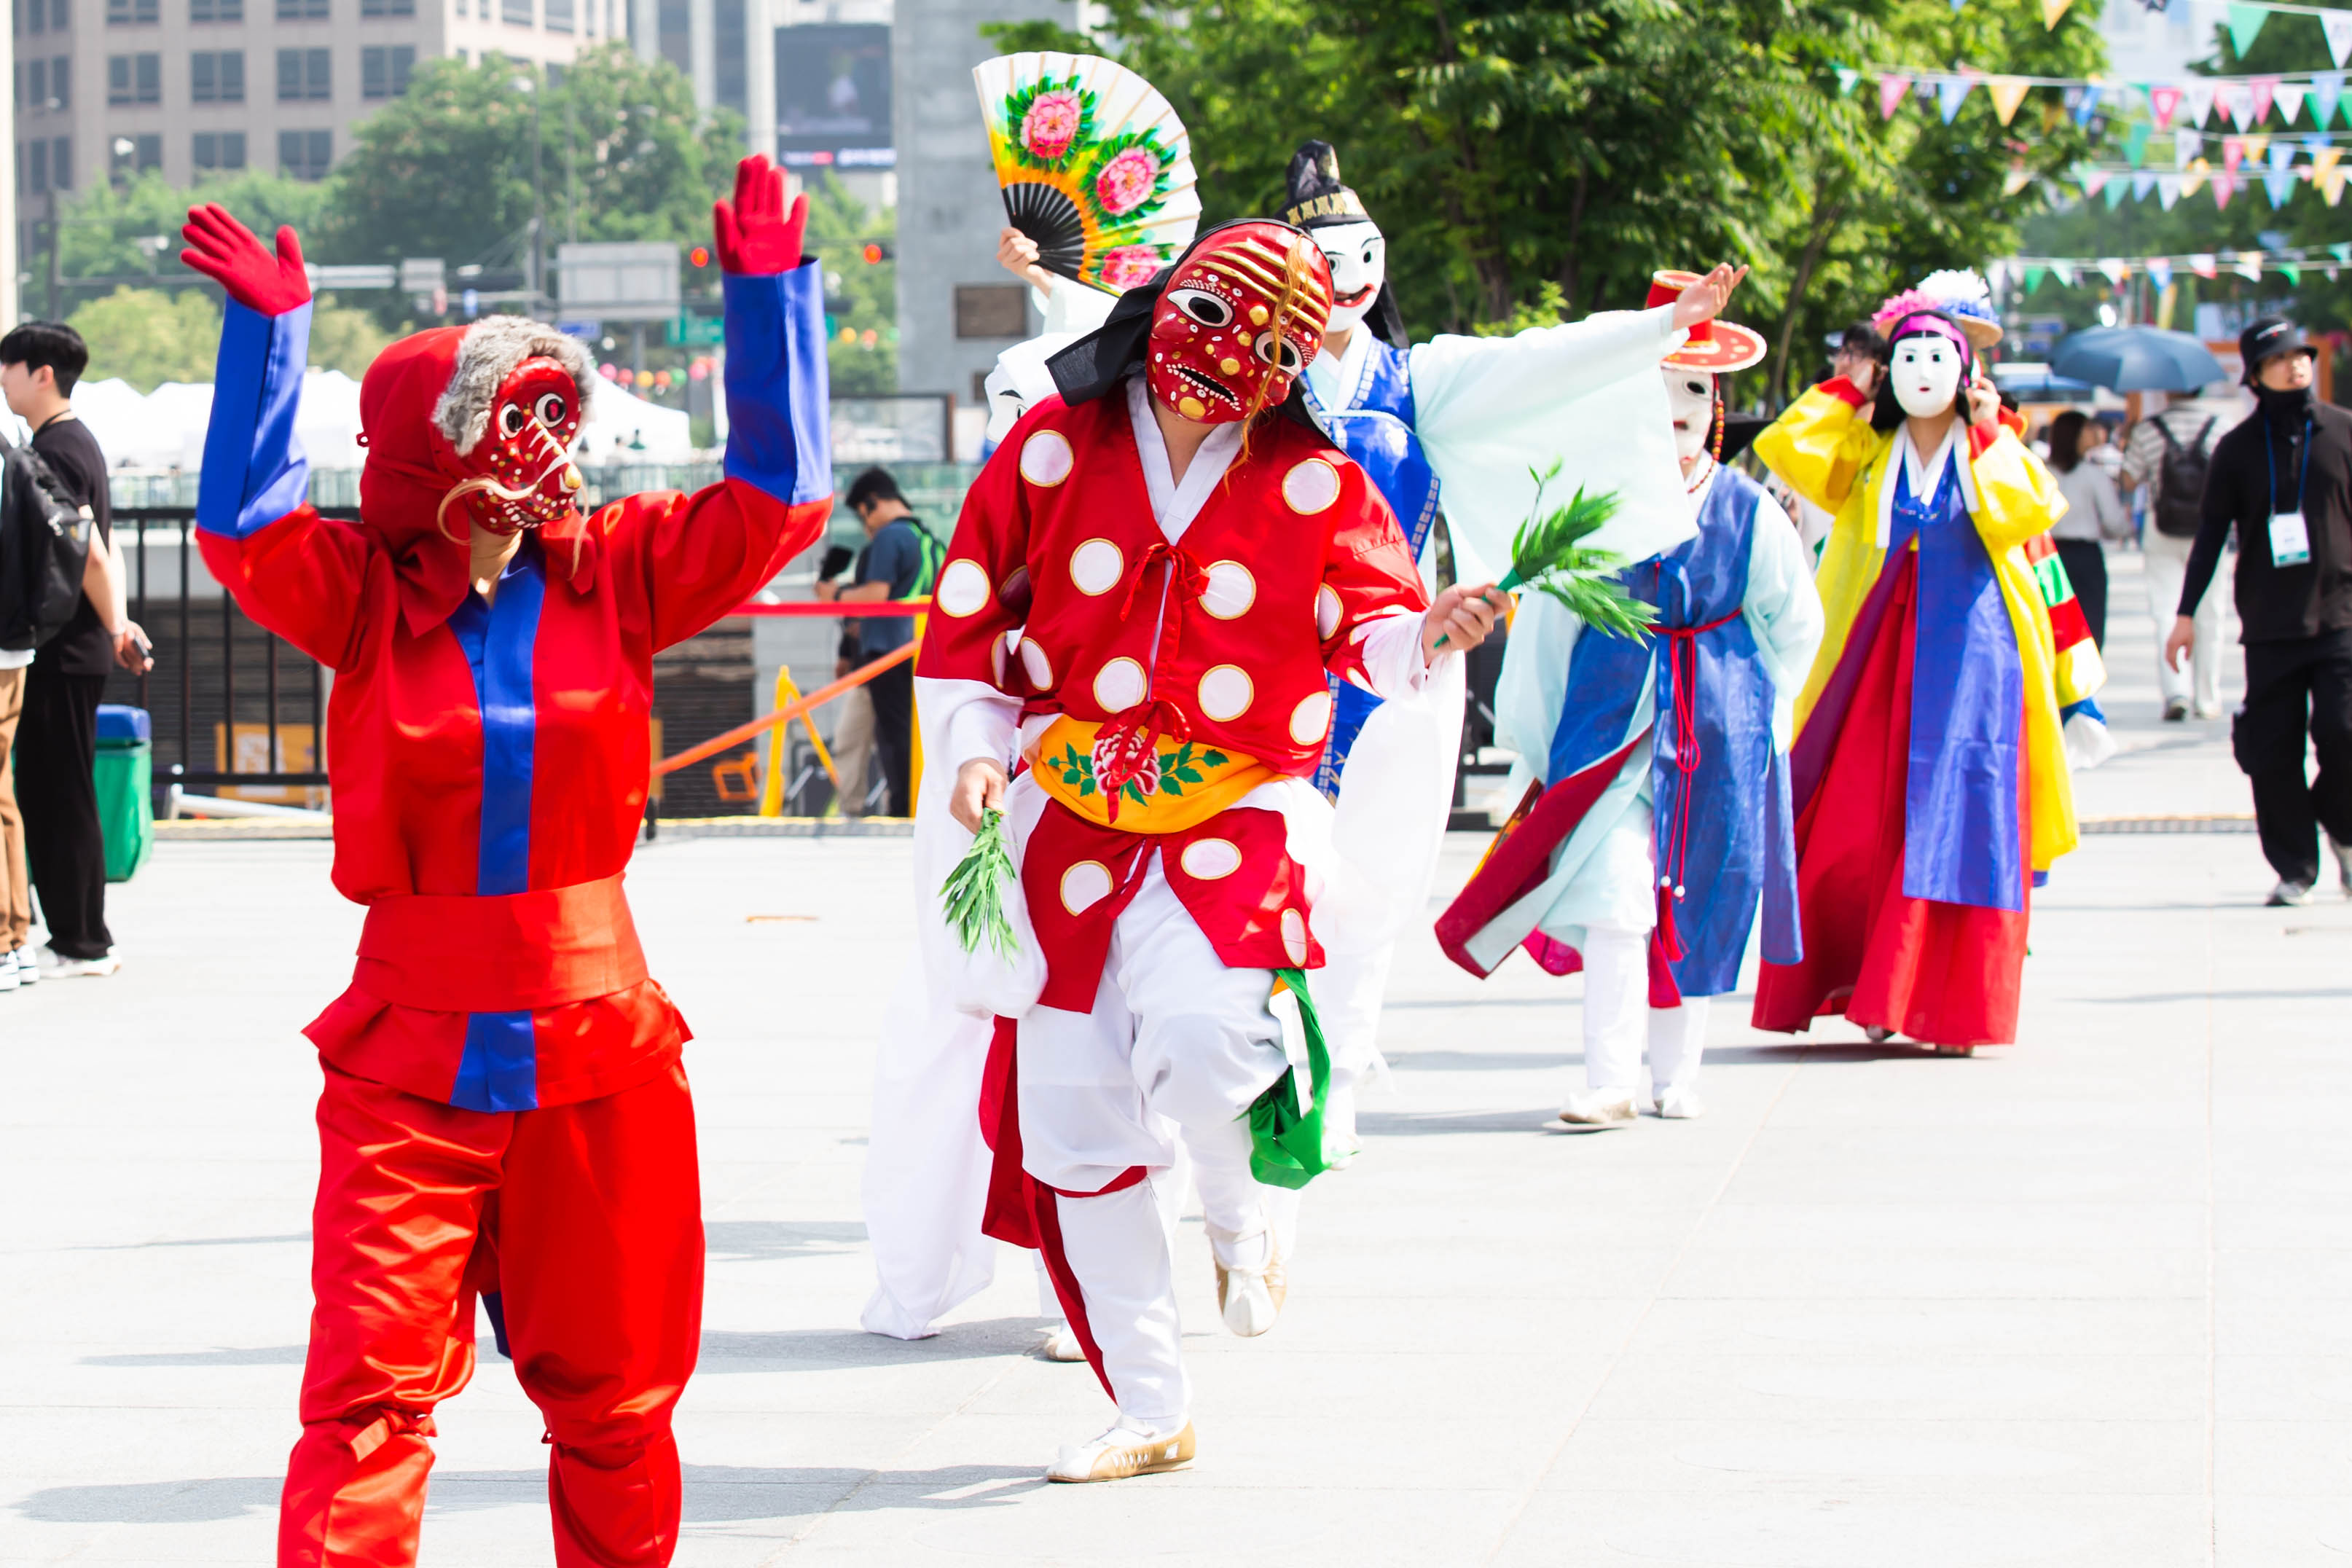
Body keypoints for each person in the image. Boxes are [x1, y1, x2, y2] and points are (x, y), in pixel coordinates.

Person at [179, 156, 832, 1567]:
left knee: (617, 1397)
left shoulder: (624, 569)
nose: (545, 440)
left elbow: (780, 498)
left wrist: (771, 298)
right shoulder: (358, 593)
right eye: (511, 412)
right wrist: (266, 338)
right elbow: (238, 524)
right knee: (366, 1393)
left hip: (603, 1043)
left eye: (558, 408)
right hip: (408, 1054)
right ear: (427, 438)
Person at [915, 219, 1500, 1482]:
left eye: (1263, 339)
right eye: (1207, 312)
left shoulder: (1314, 476)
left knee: (1205, 1038)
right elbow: (969, 610)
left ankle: (1244, 1209)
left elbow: (1375, 634)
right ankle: (1148, 1404)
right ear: (1163, 302)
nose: (1219, 352)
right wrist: (970, 742)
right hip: (1066, 804)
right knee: (1069, 1122)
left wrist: (1433, 632)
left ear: (1293, 364)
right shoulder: (1053, 445)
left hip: (1238, 800)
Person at [1437, 270, 1823, 1126]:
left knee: (1702, 897)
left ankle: (1676, 1070)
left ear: (1714, 401)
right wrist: (1543, 751)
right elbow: (1544, 644)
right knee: (1616, 901)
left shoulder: (1748, 510)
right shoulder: (1591, 512)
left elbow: (1795, 622)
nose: (1678, 407)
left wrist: (1765, 722)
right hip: (1611, 742)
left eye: (1694, 389)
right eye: (1661, 389)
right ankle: (1610, 1076)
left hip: (1717, 731)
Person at [1749, 303, 2078, 1054]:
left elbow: (2032, 511)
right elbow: (1789, 448)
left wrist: (1991, 428)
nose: (1923, 372)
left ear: (1965, 373)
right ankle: (1873, 984)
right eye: (1909, 358)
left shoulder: (1989, 446)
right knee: (1862, 818)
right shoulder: (1871, 449)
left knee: (1961, 823)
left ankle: (1952, 1004)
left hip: (1973, 658)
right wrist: (1851, 388)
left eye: (1940, 358)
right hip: (1875, 652)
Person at [2165, 317, 2352, 906]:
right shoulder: (2237, 450)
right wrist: (2187, 612)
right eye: (2281, 359)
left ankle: (2336, 819)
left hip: (2343, 617)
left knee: (2345, 734)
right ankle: (2296, 868)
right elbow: (2212, 533)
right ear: (2255, 374)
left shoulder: (2345, 433)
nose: (2297, 366)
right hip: (2270, 625)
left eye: (2302, 356)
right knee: (2270, 752)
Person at [0, 321, 152, 979]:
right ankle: (81, 937)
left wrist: (116, 623)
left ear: (41, 374)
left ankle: (82, 941)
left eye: (10, 368)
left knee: (55, 792)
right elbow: (103, 544)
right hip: (82, 642)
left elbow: (86, 548)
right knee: (61, 788)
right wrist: (118, 623)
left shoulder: (56, 449)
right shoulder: (74, 441)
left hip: (61, 647)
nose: (3, 381)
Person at [814, 466, 939, 815]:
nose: (865, 527)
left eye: (862, 516)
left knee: (894, 740)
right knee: (869, 736)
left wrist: (834, 595)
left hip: (889, 654)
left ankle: (899, 811)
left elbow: (875, 595)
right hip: (915, 653)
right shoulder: (930, 541)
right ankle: (883, 808)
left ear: (872, 503)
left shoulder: (889, 537)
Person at [2123, 386, 2233, 719]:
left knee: (2166, 612)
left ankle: (2176, 693)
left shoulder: (2148, 430)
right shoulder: (2221, 427)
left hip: (2162, 530)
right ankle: (2207, 697)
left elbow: (2129, 480)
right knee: (2210, 615)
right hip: (2210, 529)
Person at [2045, 409, 2133, 648]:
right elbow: (2115, 524)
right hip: (2086, 557)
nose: (2094, 434)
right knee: (2089, 628)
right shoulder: (2094, 475)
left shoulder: (2041, 472)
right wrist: (2124, 527)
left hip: (2047, 556)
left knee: (2052, 628)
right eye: (2088, 429)